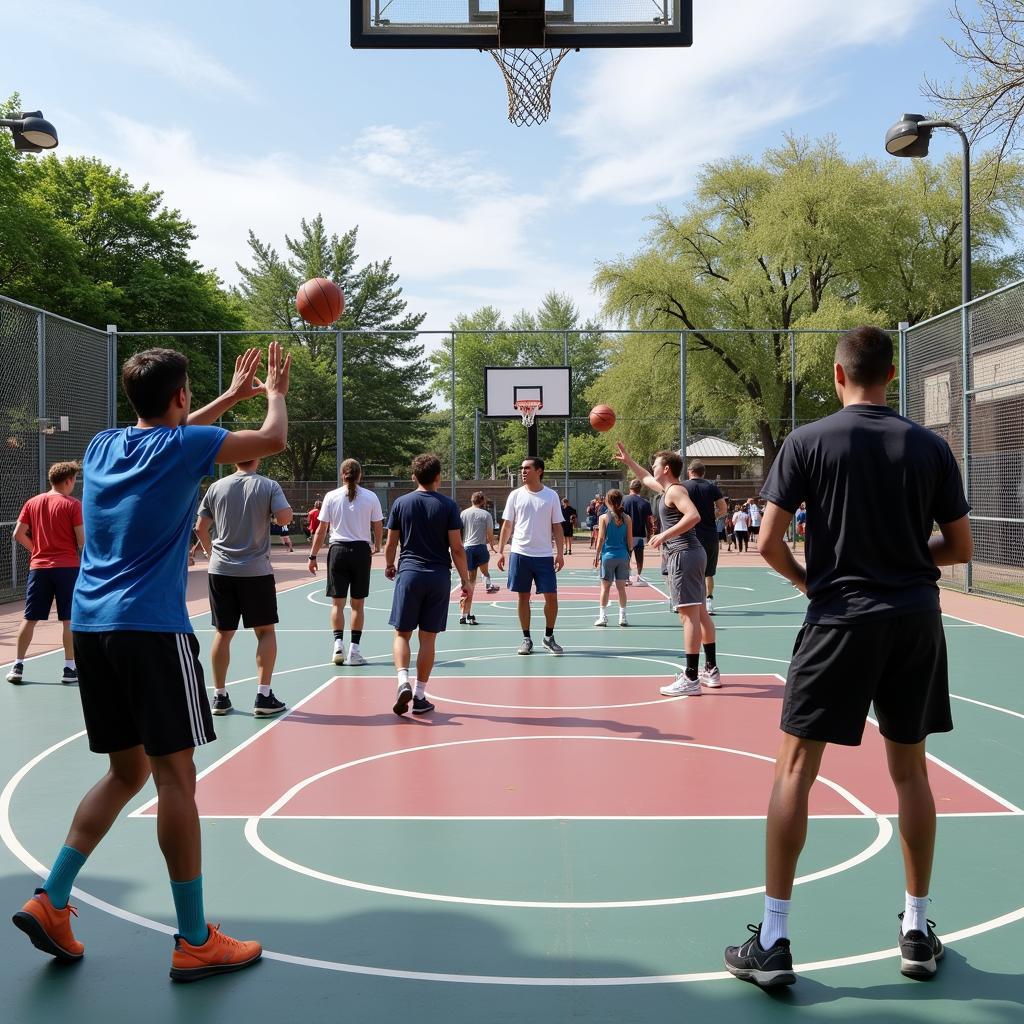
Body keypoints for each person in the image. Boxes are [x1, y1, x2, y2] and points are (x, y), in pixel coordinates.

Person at [11, 344, 289, 982]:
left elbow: (167, 431)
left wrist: (225, 398)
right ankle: (194, 939)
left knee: (124, 773)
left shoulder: (102, 447)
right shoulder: (185, 448)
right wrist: (270, 390)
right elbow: (271, 439)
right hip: (152, 631)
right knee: (175, 781)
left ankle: (52, 898)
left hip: (94, 629)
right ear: (181, 398)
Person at [723, 326, 973, 989]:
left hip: (839, 619)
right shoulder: (930, 447)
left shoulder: (808, 442)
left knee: (794, 772)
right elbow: (961, 545)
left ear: (838, 376)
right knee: (911, 772)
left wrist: (815, 582)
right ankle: (916, 930)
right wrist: (911, 562)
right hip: (916, 620)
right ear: (893, 375)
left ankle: (774, 940)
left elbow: (771, 541)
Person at [614, 444, 720, 692]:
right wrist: (629, 461)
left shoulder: (675, 491)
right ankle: (711, 670)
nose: (652, 468)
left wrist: (663, 535)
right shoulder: (668, 488)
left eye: (656, 465)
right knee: (701, 613)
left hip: (684, 554)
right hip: (691, 553)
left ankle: (691, 677)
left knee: (688, 616)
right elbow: (646, 478)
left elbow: (693, 516)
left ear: (667, 468)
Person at [194, 457, 292, 717]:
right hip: (255, 571)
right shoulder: (268, 485)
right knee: (265, 631)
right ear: (257, 457)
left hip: (220, 570)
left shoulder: (217, 487)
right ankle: (263, 695)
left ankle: (219, 696)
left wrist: (208, 550)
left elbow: (200, 527)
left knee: (223, 632)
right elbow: (285, 517)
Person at [384, 454, 470, 715]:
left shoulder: (401, 503)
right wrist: (465, 580)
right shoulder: (448, 506)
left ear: (414, 476)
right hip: (438, 576)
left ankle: (402, 682)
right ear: (438, 477)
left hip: (409, 574)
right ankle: (420, 695)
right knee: (428, 638)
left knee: (402, 633)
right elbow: (456, 547)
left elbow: (391, 543)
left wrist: (390, 565)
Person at [7, 461, 84, 685]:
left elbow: (18, 534)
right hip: (67, 569)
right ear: (69, 481)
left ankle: (18, 666)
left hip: (39, 569)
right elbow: (81, 541)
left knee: (29, 618)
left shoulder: (32, 502)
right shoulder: (73, 504)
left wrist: (37, 550)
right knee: (68, 619)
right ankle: (69, 670)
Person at [309, 459, 383, 667]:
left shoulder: (331, 496)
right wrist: (377, 545)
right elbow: (378, 524)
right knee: (357, 605)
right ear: (360, 475)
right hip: (360, 551)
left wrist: (313, 556)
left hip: (338, 551)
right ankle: (354, 651)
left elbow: (321, 529)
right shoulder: (370, 497)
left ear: (342, 474)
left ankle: (338, 645)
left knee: (337, 604)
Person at [495, 457, 565, 656]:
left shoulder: (551, 496)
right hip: (520, 553)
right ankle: (526, 638)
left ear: (539, 471)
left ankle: (548, 637)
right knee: (522, 596)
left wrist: (560, 553)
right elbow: (508, 525)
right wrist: (501, 551)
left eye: (527, 468)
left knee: (551, 597)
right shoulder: (515, 495)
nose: (523, 472)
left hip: (544, 555)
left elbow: (557, 527)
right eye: (522, 468)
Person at [683, 459, 727, 615]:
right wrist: (711, 516)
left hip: (689, 535)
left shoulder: (684, 487)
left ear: (690, 471)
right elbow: (723, 508)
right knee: (709, 571)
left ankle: (686, 602)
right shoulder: (711, 487)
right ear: (703, 473)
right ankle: (709, 601)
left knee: (687, 570)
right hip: (709, 535)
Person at [593, 489, 633, 626]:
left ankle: (603, 617)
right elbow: (629, 541)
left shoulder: (604, 518)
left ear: (607, 501)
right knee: (622, 588)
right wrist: (629, 558)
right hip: (623, 556)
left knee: (605, 588)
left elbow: (601, 539)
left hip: (608, 556)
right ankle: (623, 617)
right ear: (620, 501)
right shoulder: (627, 518)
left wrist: (596, 555)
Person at [460, 491, 497, 625]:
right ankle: (488, 583)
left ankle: (464, 614)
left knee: (469, 583)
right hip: (480, 547)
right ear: (482, 502)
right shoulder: (486, 515)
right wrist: (493, 546)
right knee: (484, 572)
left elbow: (459, 531)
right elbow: (489, 534)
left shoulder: (464, 513)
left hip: (467, 548)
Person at [622, 478, 654, 583]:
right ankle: (638, 576)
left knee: (626, 556)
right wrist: (650, 533)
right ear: (640, 489)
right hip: (640, 534)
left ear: (630, 488)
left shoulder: (623, 500)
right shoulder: (645, 503)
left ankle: (626, 577)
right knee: (639, 556)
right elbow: (649, 520)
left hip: (626, 534)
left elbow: (619, 518)